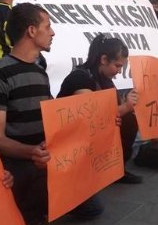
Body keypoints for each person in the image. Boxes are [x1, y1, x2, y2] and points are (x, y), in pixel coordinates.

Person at [0, 2, 61, 225]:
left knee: (91, 208)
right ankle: (29, 217)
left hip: (40, 155)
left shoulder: (39, 72)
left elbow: (50, 118)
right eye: (48, 26)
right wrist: (31, 152)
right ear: (31, 31)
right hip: (16, 163)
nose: (53, 32)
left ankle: (33, 209)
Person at [57, 34, 143, 184]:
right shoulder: (81, 78)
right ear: (103, 60)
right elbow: (91, 117)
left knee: (129, 119)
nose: (118, 71)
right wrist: (125, 107)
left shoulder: (105, 80)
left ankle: (116, 168)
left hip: (90, 133)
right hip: (71, 137)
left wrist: (124, 109)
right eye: (117, 66)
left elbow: (111, 110)